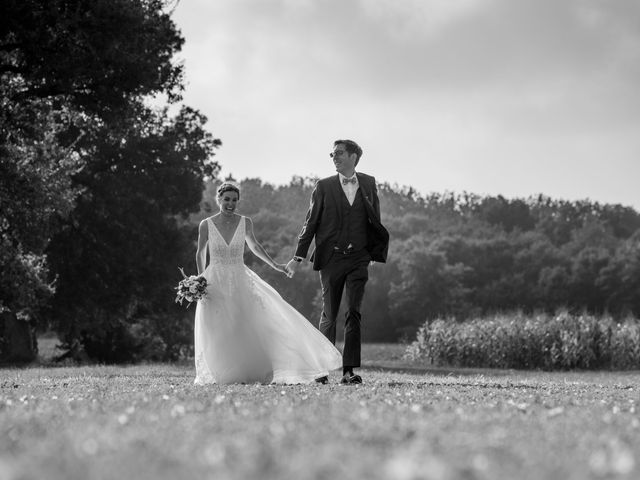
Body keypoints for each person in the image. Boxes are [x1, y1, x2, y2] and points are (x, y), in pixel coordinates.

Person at [193, 182, 342, 385]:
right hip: (214, 280)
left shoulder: (245, 222)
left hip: (239, 277)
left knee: (244, 323)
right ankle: (223, 372)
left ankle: (252, 371)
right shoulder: (206, 224)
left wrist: (275, 265)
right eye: (226, 199)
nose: (230, 203)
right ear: (218, 199)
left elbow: (254, 246)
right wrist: (201, 279)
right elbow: (201, 252)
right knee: (219, 326)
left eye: (234, 200)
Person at [286, 139, 389, 384]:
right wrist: (297, 256)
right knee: (330, 314)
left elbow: (374, 217)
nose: (334, 157)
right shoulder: (323, 186)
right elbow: (310, 223)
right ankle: (321, 371)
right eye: (332, 154)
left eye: (339, 153)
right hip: (331, 258)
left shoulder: (368, 183)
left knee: (354, 312)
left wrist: (372, 252)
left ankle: (348, 371)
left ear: (353, 156)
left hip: (359, 258)